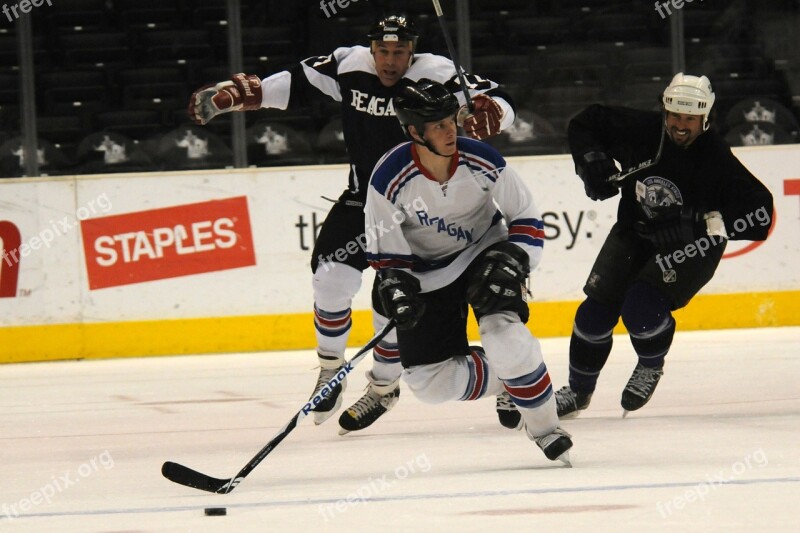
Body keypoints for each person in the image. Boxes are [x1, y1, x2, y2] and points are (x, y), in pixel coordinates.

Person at [187, 15, 517, 434]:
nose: (390, 60)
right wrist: (238, 96)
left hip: (425, 209)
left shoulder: (436, 72)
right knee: (329, 278)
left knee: (396, 301)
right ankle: (330, 370)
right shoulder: (350, 65)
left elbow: (495, 97)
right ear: (372, 48)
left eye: (400, 51)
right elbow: (295, 82)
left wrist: (495, 113)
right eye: (383, 51)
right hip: (365, 201)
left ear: (412, 50)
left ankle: (385, 388)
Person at [365, 78, 573, 464]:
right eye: (439, 125)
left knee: (505, 336)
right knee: (429, 384)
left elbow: (527, 218)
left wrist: (514, 258)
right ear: (414, 132)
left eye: (452, 120)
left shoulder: (483, 160)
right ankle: (513, 378)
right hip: (427, 273)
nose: (452, 131)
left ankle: (546, 428)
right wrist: (398, 289)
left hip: (484, 254)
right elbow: (387, 257)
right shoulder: (388, 177)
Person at [555, 73, 774, 418]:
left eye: (689, 119)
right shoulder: (642, 130)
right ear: (665, 111)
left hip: (689, 247)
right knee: (592, 316)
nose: (680, 126)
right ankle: (579, 392)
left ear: (705, 118)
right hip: (634, 231)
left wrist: (702, 222)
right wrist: (591, 161)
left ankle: (650, 364)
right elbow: (586, 122)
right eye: (674, 116)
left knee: (640, 309)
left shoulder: (716, 158)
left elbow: (761, 214)